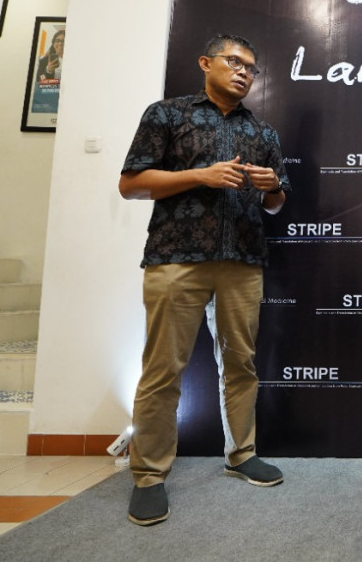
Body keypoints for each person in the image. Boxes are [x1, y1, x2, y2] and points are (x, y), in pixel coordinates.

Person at [118, 33, 290, 526]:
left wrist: (272, 186)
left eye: (251, 68)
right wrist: (201, 175)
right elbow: (131, 184)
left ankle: (242, 453)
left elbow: (278, 202)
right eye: (233, 61)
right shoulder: (166, 114)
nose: (243, 72)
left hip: (243, 260)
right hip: (176, 257)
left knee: (241, 363)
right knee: (163, 368)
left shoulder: (264, 132)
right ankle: (149, 475)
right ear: (205, 63)